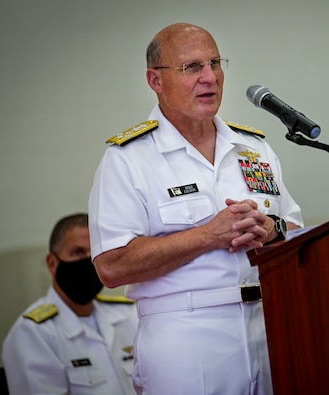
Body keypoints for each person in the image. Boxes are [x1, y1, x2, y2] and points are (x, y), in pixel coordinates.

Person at [88, 23, 303, 395]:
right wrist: (207, 236)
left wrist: (272, 230)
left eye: (215, 63)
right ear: (155, 80)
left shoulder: (254, 149)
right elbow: (111, 265)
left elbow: (297, 234)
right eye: (192, 67)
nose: (210, 78)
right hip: (186, 337)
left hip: (271, 326)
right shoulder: (129, 159)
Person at [1, 213, 139, 395]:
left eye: (94, 252)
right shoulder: (34, 333)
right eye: (78, 252)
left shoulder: (129, 314)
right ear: (52, 263)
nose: (88, 261)